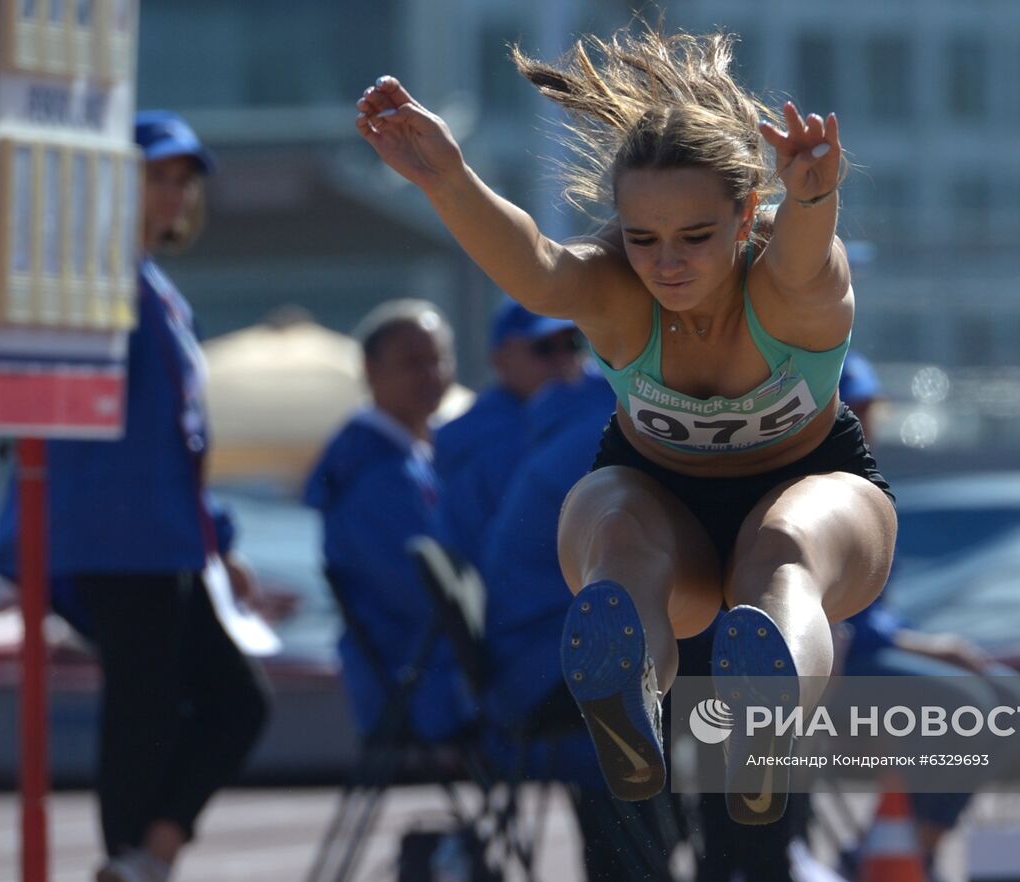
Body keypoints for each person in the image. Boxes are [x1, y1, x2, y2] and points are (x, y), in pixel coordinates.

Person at [355, 26, 896, 826]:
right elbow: (538, 267)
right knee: (610, 523)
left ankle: (765, 720)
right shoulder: (618, 293)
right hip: (659, 497)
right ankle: (627, 694)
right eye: (642, 239)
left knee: (782, 551)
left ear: (747, 214)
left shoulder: (788, 286)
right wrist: (448, 179)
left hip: (810, 481)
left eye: (694, 238)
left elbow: (808, 259)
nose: (666, 263)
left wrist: (813, 198)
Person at [21, 111, 270, 882]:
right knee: (146, 712)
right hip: (112, 531)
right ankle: (132, 863)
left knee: (232, 703)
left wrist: (218, 540)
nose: (174, 192)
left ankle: (143, 862)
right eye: (158, 174)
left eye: (182, 179)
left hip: (163, 536)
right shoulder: (89, 277)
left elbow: (180, 436)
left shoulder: (153, 286)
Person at [303, 300, 475, 745]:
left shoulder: (408, 456)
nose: (431, 375)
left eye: (438, 359)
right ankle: (678, 788)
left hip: (427, 672)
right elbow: (424, 598)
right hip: (420, 681)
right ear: (371, 370)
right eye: (413, 363)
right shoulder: (375, 475)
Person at [432, 299, 583, 567]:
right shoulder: (483, 441)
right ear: (500, 360)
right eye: (544, 348)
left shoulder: (577, 408)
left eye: (572, 344)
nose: (563, 360)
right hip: (519, 600)